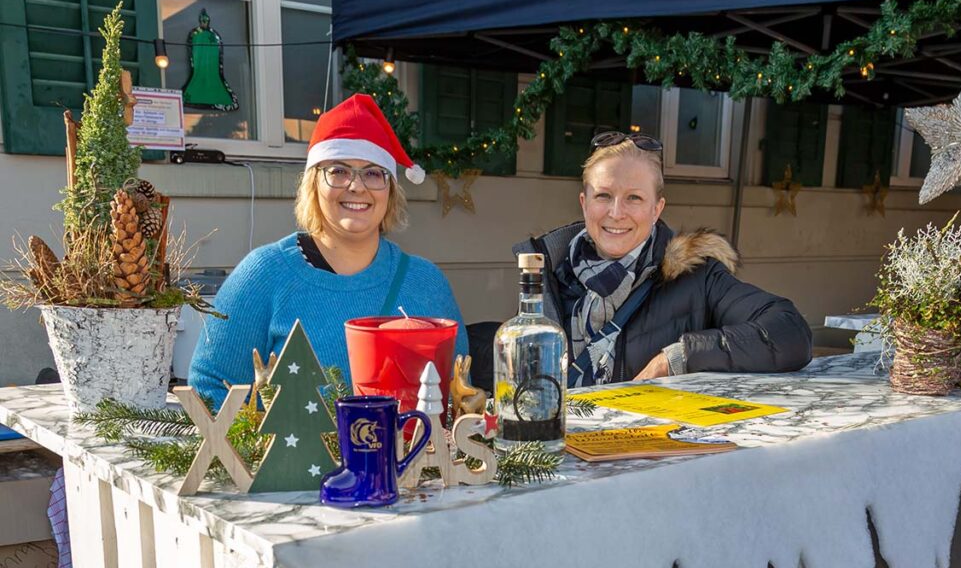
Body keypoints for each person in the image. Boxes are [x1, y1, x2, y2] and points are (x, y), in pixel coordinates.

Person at [189, 94, 468, 408]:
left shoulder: (426, 283)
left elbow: (458, 395)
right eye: (338, 170)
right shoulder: (263, 275)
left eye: (374, 173)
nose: (356, 186)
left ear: (390, 191)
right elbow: (209, 389)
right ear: (313, 184)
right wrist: (269, 444)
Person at [513, 131, 812, 387]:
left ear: (657, 209)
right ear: (584, 203)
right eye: (603, 195)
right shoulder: (547, 278)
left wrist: (677, 358)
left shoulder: (697, 277)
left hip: (655, 449)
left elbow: (790, 333)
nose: (616, 213)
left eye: (634, 198)